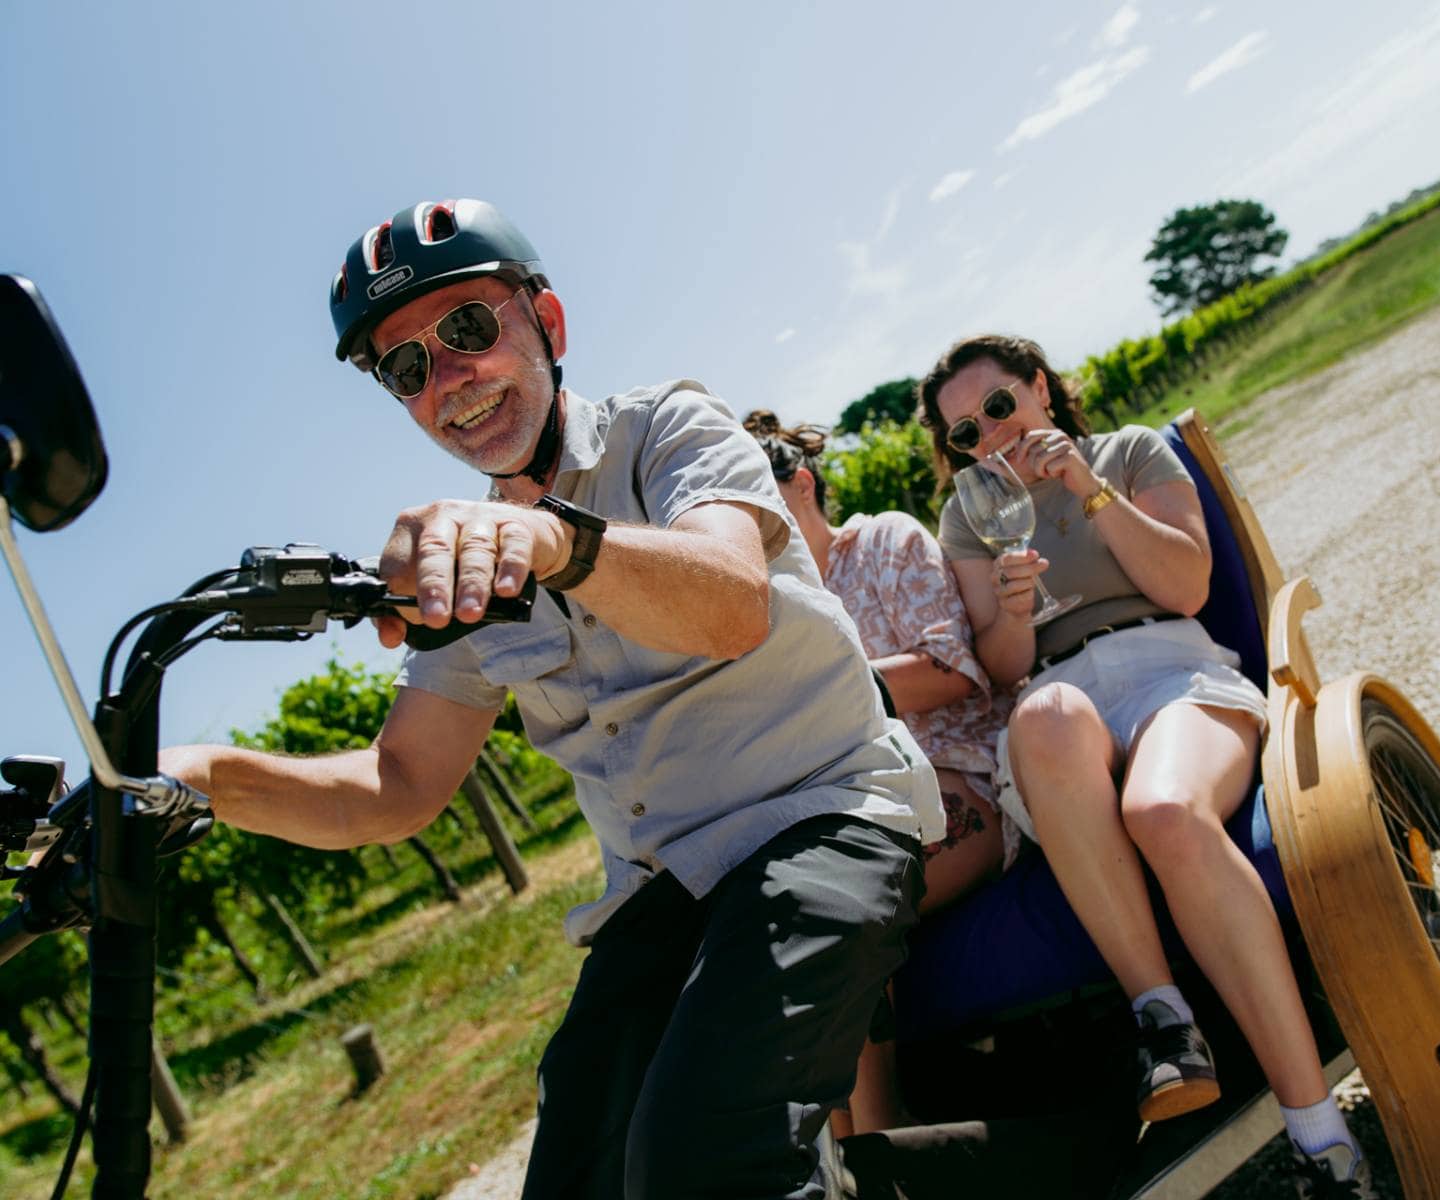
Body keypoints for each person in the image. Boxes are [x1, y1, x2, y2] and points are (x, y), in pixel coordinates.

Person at [161, 198, 944, 1200]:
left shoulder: (662, 429)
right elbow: (397, 783)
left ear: (550, 326)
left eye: (467, 330)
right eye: (407, 369)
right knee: (580, 1183)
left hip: (821, 816)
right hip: (667, 892)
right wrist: (201, 778)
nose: (448, 378)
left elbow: (731, 602)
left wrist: (548, 539)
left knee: (699, 1162)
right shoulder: (471, 558)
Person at [917, 333, 1374, 1198]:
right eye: (965, 434)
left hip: (1169, 666)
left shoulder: (1127, 453)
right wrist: (1012, 615)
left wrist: (1088, 494)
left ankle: (1324, 1141)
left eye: (999, 408)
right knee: (1043, 713)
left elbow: (1188, 586)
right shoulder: (969, 515)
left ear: (1040, 390)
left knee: (1164, 814)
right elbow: (1007, 668)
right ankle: (1164, 1021)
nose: (989, 437)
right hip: (1059, 699)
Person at [746, 411, 1009, 1135]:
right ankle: (849, 1156)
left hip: (963, 783)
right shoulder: (766, 614)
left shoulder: (885, 542)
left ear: (802, 486)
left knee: (832, 920)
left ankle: (879, 1145)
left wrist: (818, 688)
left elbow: (953, 670)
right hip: (852, 816)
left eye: (754, 508)